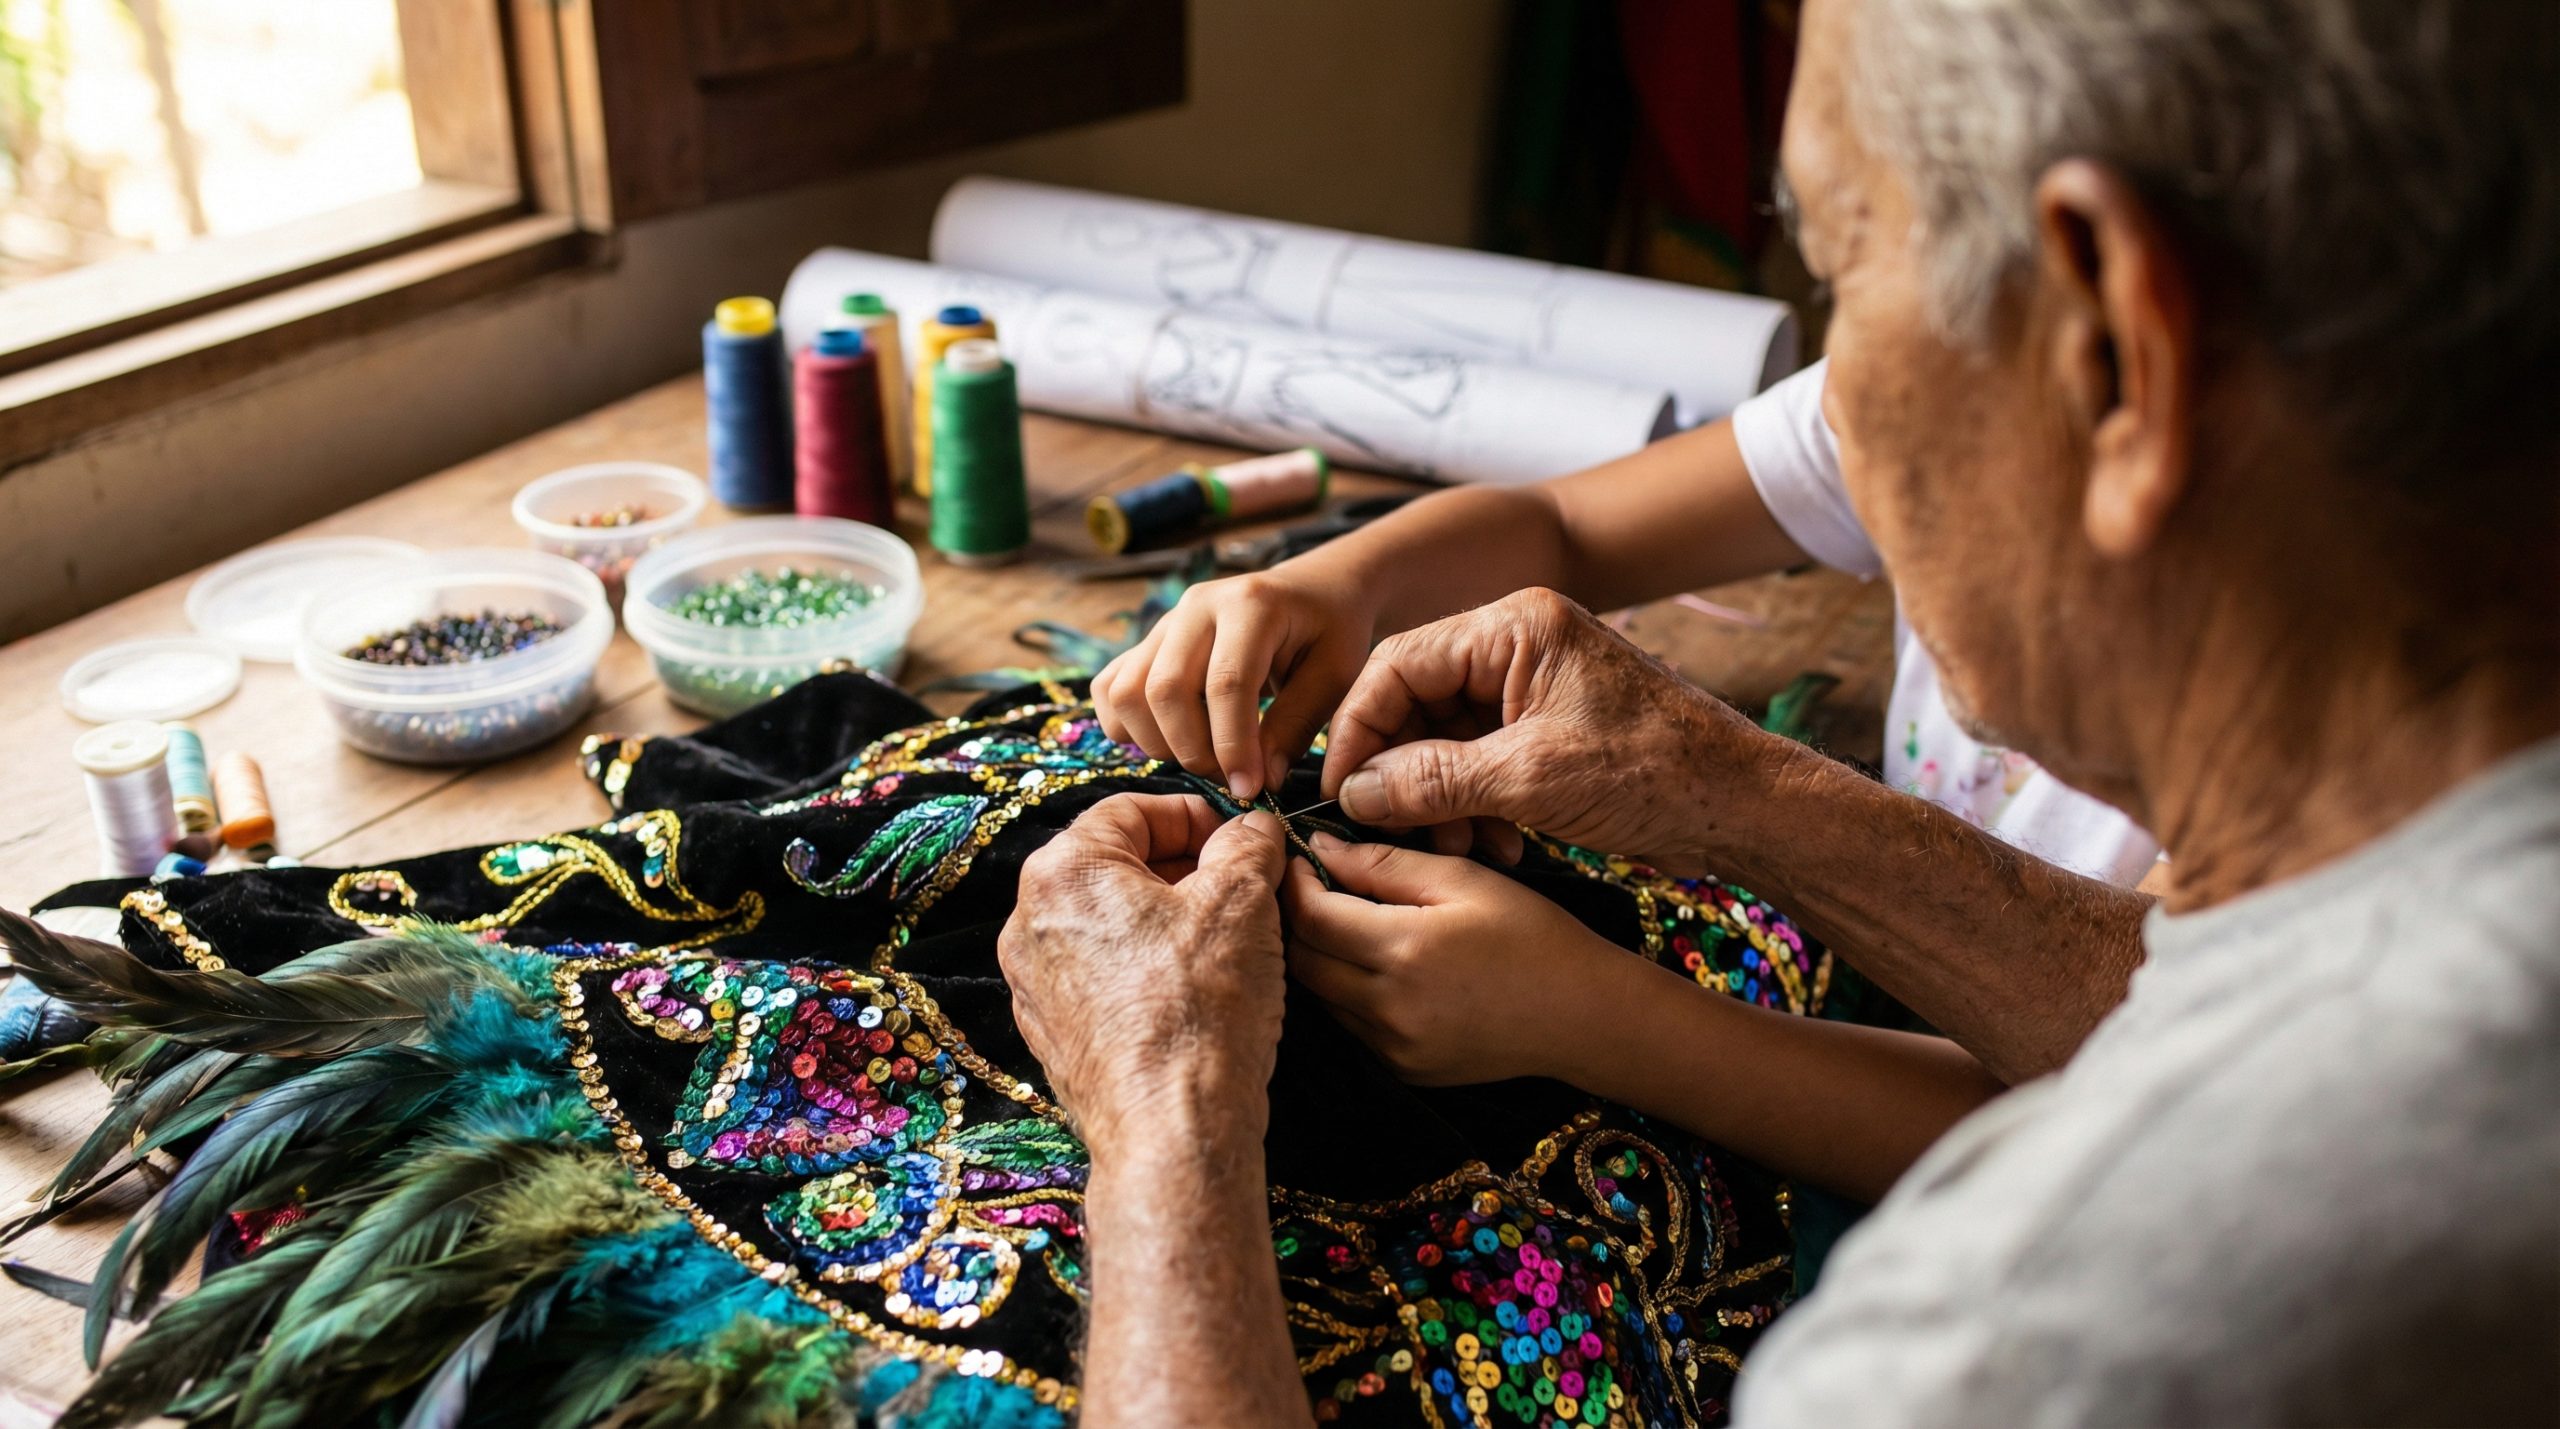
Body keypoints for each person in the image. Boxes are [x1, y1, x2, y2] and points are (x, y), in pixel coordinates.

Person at [999, 0, 2560, 1423]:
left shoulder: (2023, 1338)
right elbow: (2167, 989)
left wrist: (1166, 1117)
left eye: (1843, 271)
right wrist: (1721, 781)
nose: (1832, 365)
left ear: (2110, 352)